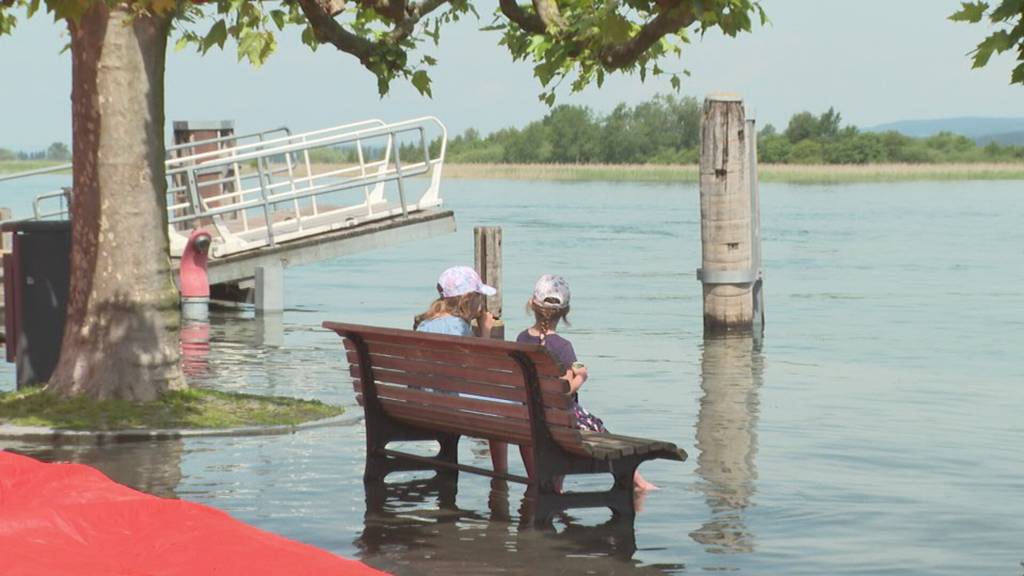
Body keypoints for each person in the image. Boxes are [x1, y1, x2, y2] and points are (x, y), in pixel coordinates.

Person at [516, 274, 658, 492]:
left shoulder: (521, 339)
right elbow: (563, 390)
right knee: (598, 428)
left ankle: (539, 480)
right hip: (558, 421)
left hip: (525, 417)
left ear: (531, 305)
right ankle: (638, 482)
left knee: (552, 427)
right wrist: (580, 377)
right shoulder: (562, 346)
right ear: (565, 313)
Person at [413, 265, 507, 472]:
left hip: (420, 405)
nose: (481, 303)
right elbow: (479, 373)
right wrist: (485, 333)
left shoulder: (424, 325)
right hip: (449, 408)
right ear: (468, 299)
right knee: (505, 407)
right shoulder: (459, 328)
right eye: (479, 297)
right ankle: (501, 474)